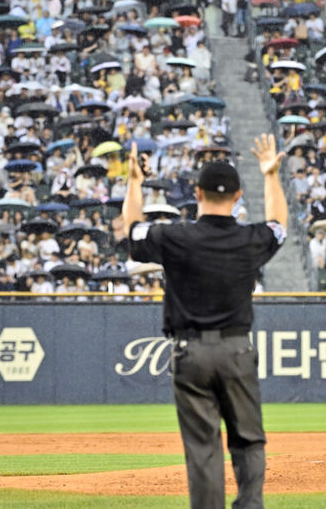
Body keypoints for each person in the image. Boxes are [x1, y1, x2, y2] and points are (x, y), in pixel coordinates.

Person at [122, 134, 287, 509]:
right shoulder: (250, 239)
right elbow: (280, 224)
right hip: (236, 350)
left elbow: (132, 233)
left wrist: (134, 182)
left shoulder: (176, 238)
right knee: (248, 439)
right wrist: (271, 175)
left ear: (196, 194)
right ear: (237, 196)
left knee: (203, 448)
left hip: (190, 353)